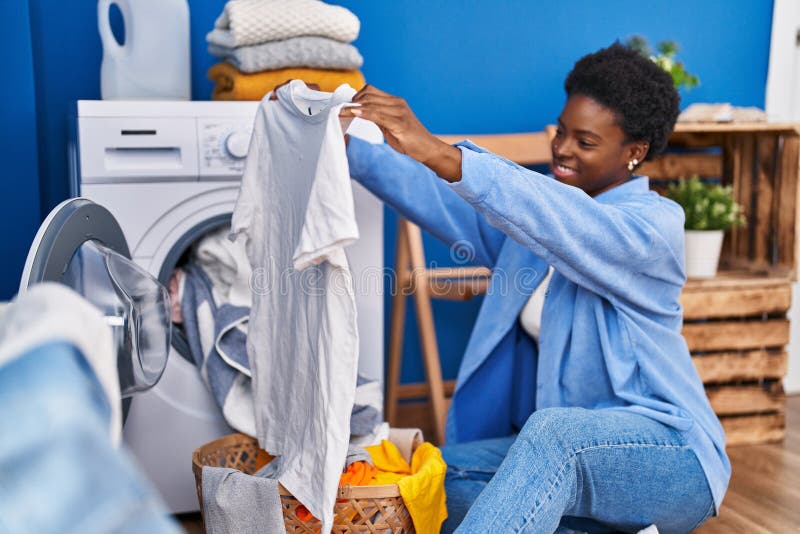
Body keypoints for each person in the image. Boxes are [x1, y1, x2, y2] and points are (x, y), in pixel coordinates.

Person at [338, 43, 730, 533]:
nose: (563, 149)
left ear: (635, 153)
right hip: (567, 457)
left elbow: (567, 221)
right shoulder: (531, 230)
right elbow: (440, 200)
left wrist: (439, 150)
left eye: (584, 142)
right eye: (561, 132)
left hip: (670, 458)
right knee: (434, 479)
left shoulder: (653, 230)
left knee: (551, 435)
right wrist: (347, 146)